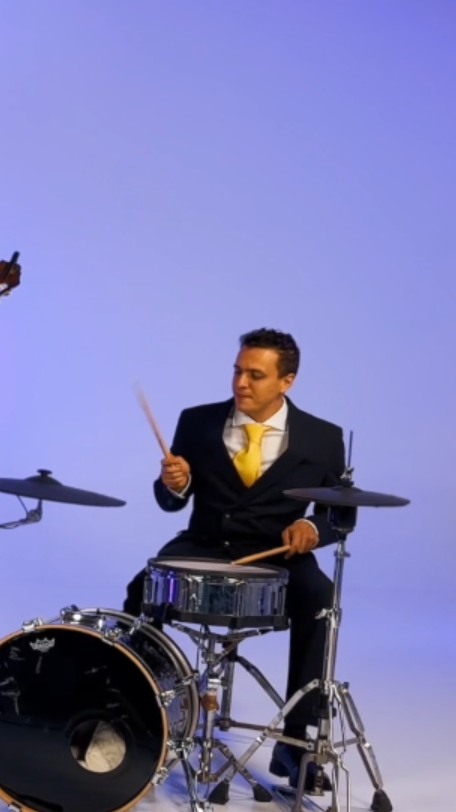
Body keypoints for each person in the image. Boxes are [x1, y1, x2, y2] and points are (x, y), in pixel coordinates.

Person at [122, 329, 345, 788]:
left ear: (287, 381)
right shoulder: (197, 421)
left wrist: (312, 528)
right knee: (141, 587)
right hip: (205, 542)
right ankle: (135, 713)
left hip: (278, 553)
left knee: (320, 598)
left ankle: (295, 742)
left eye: (255, 375)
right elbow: (170, 501)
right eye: (238, 371)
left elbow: (340, 513)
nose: (241, 383)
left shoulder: (323, 437)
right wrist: (175, 484)